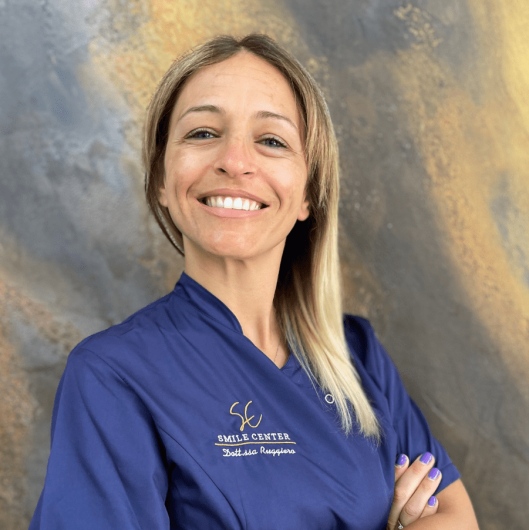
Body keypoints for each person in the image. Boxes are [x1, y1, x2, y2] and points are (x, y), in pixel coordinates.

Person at [30, 34, 478, 529]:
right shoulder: (110, 377)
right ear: (160, 178)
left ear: (308, 193)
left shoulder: (358, 355)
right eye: (203, 133)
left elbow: (455, 515)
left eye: (271, 141)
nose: (235, 161)